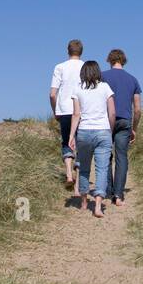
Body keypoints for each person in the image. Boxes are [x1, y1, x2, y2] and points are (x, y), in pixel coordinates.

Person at [68, 60, 115, 218]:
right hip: (103, 131)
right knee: (102, 169)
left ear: (83, 73)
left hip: (84, 132)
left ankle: (83, 202)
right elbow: (112, 113)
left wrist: (71, 136)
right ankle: (98, 206)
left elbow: (76, 114)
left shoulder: (77, 89)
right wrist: (110, 130)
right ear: (97, 72)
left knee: (84, 167)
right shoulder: (105, 87)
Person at [101, 49, 142, 204]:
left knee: (105, 154)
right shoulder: (133, 80)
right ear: (123, 60)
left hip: (105, 120)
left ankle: (107, 190)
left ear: (109, 60)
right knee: (121, 157)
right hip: (125, 121)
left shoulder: (102, 77)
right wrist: (134, 128)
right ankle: (118, 195)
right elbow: (137, 109)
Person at [49, 39, 84, 188]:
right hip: (82, 110)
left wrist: (55, 111)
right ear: (81, 51)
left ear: (68, 51)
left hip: (63, 110)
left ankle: (69, 174)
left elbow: (52, 94)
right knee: (81, 144)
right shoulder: (86, 67)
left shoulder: (59, 67)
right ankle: (78, 186)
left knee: (66, 142)